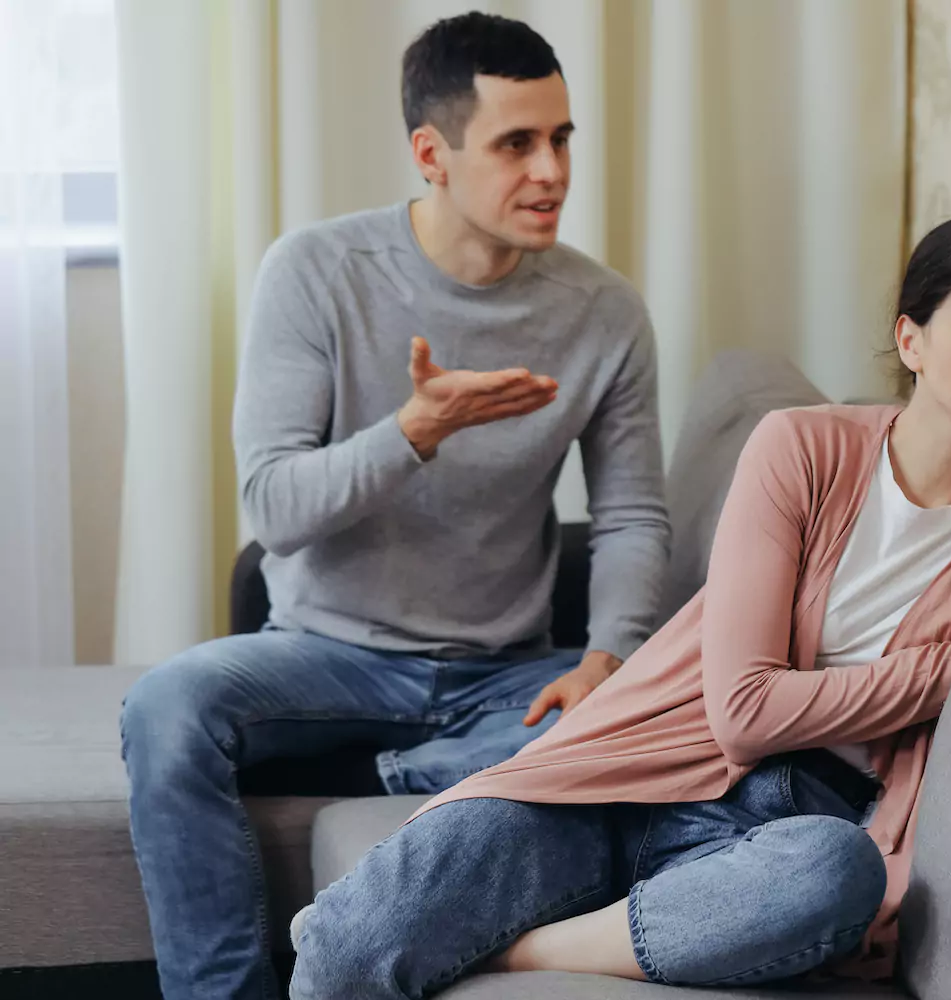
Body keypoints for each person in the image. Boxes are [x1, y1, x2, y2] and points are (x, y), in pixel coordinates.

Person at [289, 213, 951, 999]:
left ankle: (533, 946)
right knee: (345, 944)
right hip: (629, 778)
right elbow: (743, 713)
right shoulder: (803, 449)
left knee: (835, 874)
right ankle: (581, 905)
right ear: (911, 340)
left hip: (788, 829)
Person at [119, 13, 670, 1000]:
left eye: (561, 139)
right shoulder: (317, 272)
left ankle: (428, 761)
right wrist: (411, 433)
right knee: (166, 705)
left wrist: (607, 660)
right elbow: (273, 505)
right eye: (516, 143)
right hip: (327, 656)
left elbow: (630, 515)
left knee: (656, 713)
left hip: (505, 676)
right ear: (433, 154)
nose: (551, 170)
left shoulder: (606, 310)